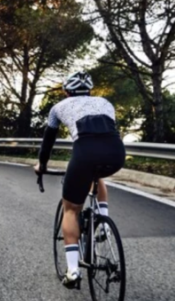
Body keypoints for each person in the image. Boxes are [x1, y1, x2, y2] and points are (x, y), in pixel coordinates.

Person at [34, 71, 126, 288]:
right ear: (90, 90)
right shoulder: (105, 102)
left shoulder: (58, 108)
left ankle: (73, 270)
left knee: (71, 210)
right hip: (116, 154)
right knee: (97, 175)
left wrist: (42, 166)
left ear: (66, 91)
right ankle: (103, 222)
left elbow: (48, 142)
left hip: (85, 153)